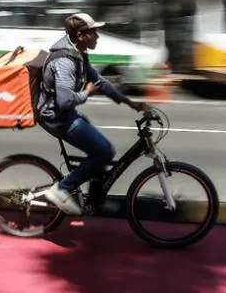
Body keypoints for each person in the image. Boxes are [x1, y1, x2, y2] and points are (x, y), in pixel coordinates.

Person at [36, 12, 149, 216]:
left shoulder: (78, 55)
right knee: (104, 152)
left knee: (100, 150)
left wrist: (131, 103)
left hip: (65, 114)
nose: (97, 36)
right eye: (93, 32)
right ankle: (61, 189)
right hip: (55, 117)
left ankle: (95, 202)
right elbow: (65, 100)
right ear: (80, 35)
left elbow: (100, 82)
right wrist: (86, 92)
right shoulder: (66, 61)